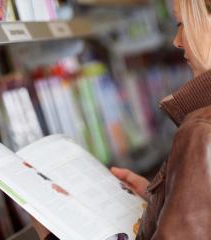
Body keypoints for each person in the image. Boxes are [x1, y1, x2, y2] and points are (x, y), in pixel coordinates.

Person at [33, 0, 211, 239]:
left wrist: (53, 235)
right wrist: (160, 201)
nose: (176, 41)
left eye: (182, 24)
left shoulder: (200, 131)